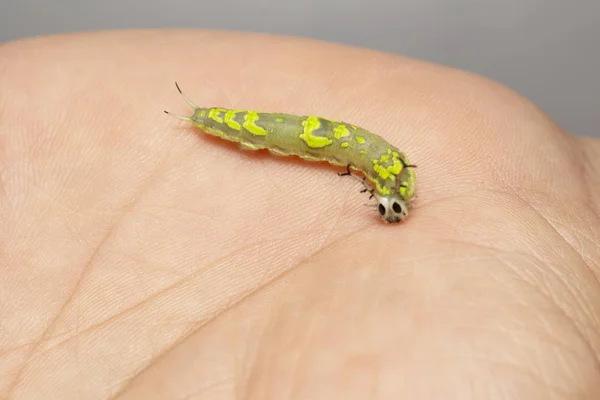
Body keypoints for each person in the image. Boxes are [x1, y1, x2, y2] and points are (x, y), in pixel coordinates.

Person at [1, 30, 599, 399]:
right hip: (276, 134)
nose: (387, 208)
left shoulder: (385, 168)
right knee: (267, 128)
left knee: (290, 133)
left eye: (387, 204)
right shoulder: (382, 164)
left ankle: (213, 117)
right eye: (390, 204)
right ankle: (212, 118)